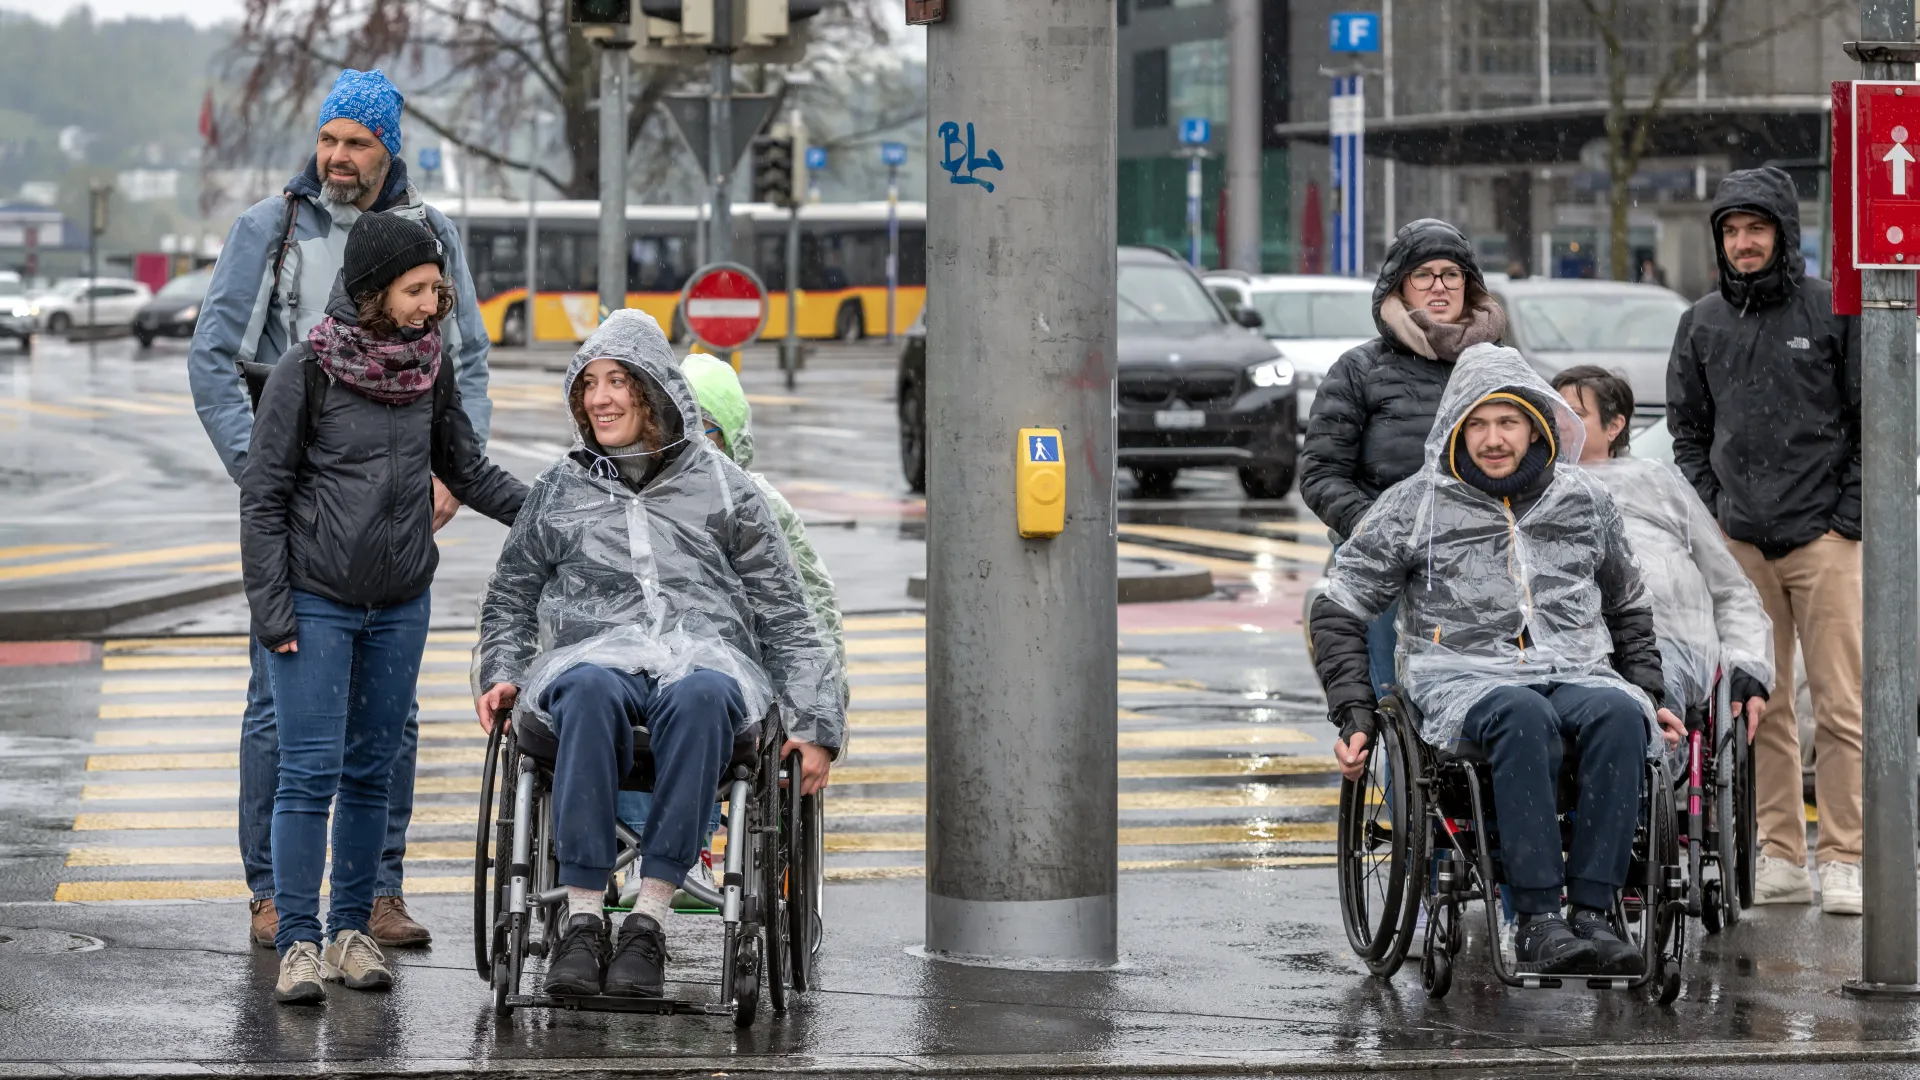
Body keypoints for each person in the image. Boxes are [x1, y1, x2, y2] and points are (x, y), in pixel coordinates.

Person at [189, 68, 495, 949]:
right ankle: (274, 896)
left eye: (356, 142)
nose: (337, 157)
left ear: (387, 149)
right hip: (299, 522)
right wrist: (264, 476)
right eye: (328, 139)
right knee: (277, 711)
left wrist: (452, 472)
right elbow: (212, 360)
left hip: (399, 515)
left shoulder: (429, 235)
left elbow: (465, 360)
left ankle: (377, 894)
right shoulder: (269, 229)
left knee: (390, 719)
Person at [473, 310, 844, 999]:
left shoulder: (728, 491)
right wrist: (501, 671)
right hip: (593, 661)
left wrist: (815, 725)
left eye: (619, 381)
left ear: (655, 392)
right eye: (590, 383)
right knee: (586, 689)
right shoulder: (561, 489)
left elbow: (790, 615)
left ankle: (647, 918)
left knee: (702, 695)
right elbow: (509, 598)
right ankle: (584, 918)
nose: (601, 398)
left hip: (707, 663)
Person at [1310, 344, 1683, 976]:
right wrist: (1354, 713)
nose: (1491, 439)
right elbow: (1340, 604)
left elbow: (1629, 606)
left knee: (1622, 714)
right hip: (1461, 677)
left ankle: (1594, 912)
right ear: (1455, 429)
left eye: (1507, 422)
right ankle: (1537, 919)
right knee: (1520, 714)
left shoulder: (1583, 501)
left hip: (1573, 668)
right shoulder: (1417, 503)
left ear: (1537, 424)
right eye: (1476, 424)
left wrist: (1652, 691)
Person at [241, 213, 527, 1004]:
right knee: (308, 776)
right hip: (316, 601)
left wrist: (555, 511)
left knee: (372, 772)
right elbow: (262, 500)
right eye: (419, 289)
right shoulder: (307, 370)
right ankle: (297, 942)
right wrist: (275, 614)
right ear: (374, 292)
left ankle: (347, 932)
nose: (435, 304)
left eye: (437, 289)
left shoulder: (428, 369)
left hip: (400, 602)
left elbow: (467, 470)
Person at [1666, 166, 1863, 915]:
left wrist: (1845, 517)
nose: (1744, 242)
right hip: (1742, 544)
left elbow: (1872, 416)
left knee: (1843, 707)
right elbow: (1688, 430)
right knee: (1761, 707)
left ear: (1784, 232)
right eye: (1731, 231)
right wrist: (1717, 510)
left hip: (1825, 541)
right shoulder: (1703, 322)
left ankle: (1845, 856)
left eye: (1757, 228)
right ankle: (1781, 852)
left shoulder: (1832, 309)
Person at [611, 353, 852, 887]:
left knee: (697, 700)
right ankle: (646, 853)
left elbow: (809, 616)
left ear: (733, 438)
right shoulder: (624, 494)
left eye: (708, 430)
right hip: (639, 671)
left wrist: (819, 721)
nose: (693, 442)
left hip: (735, 681)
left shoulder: (762, 506)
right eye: (679, 423)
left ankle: (675, 854)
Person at [1301, 218, 1507, 696]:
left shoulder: (1500, 366)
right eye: (1424, 275)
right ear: (1400, 287)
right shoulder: (1360, 369)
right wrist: (1384, 531)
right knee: (1398, 699)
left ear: (1469, 285)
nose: (1440, 286)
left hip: (1482, 562)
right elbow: (1321, 473)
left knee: (1488, 695)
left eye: (1451, 274)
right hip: (1387, 569)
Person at [1554, 365, 1773, 748]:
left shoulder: (1658, 485)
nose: (1560, 423)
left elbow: (1729, 587)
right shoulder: (1534, 491)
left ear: (1614, 425)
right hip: (1566, 650)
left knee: (1646, 700)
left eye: (1576, 413)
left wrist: (1747, 664)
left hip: (1663, 646)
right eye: (1554, 411)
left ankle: (1638, 792)